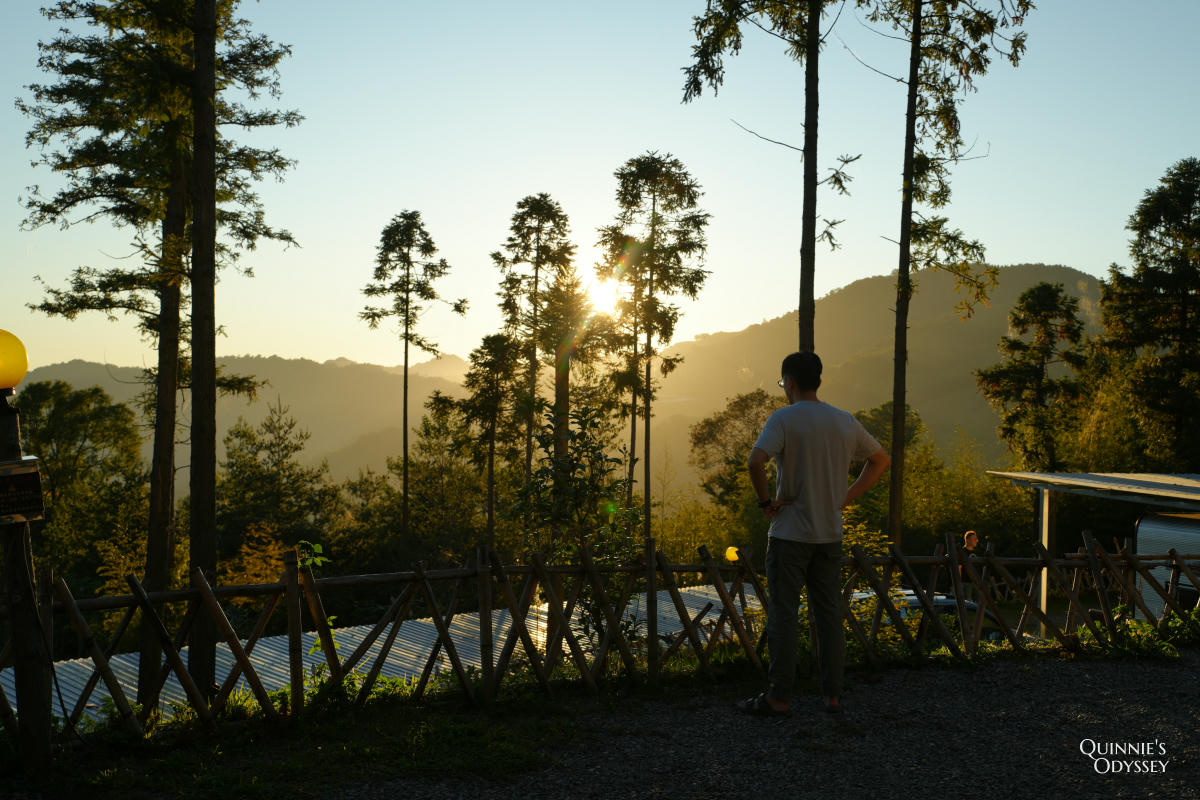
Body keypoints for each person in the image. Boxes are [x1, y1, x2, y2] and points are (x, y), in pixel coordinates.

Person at [736, 352, 890, 716]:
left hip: (790, 534)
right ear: (819, 381)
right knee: (829, 615)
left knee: (784, 615)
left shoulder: (784, 419)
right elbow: (880, 460)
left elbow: (755, 461)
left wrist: (765, 503)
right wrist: (847, 496)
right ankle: (833, 696)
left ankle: (779, 697)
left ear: (789, 382)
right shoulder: (843, 421)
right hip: (829, 535)